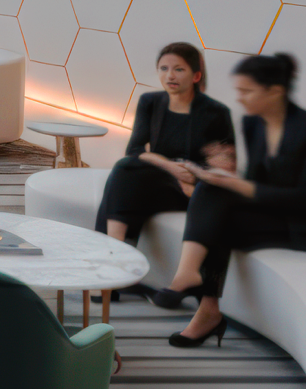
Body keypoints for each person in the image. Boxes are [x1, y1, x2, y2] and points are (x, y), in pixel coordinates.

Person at [154, 53, 306, 347]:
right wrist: (216, 179)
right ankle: (193, 286)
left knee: (219, 210)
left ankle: (202, 303)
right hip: (279, 215)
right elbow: (258, 180)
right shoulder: (253, 124)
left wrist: (237, 186)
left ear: (275, 91)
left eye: (247, 91)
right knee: (212, 193)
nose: (240, 98)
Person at [91, 42, 235, 247]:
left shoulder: (216, 112)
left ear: (196, 76)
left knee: (124, 179)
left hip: (190, 190)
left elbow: (224, 167)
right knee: (125, 168)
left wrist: (192, 178)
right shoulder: (150, 102)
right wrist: (170, 167)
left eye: (179, 69)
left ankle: (109, 249)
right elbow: (134, 150)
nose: (170, 76)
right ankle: (114, 248)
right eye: (164, 69)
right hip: (160, 180)